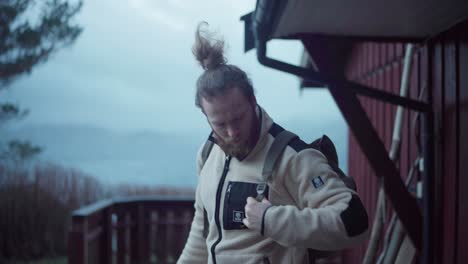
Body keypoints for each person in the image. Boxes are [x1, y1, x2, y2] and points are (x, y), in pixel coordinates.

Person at [177, 22, 369, 264]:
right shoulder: (206, 155)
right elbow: (201, 231)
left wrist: (272, 220)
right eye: (220, 124)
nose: (232, 132)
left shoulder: (293, 157)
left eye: (238, 118)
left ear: (253, 101)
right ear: (206, 117)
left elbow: (354, 222)